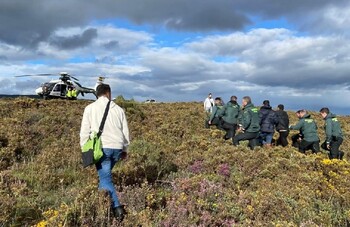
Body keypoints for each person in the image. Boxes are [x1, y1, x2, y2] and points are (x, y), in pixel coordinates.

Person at [80, 84, 130, 221]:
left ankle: (118, 211)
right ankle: (101, 205)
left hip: (102, 148)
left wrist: (84, 149)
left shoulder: (90, 108)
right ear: (108, 93)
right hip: (117, 148)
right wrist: (125, 149)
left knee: (105, 179)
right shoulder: (119, 110)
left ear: (97, 94)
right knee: (104, 178)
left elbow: (84, 131)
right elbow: (125, 132)